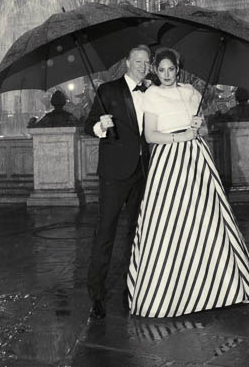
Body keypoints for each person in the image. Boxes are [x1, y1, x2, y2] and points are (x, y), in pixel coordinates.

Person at [127, 47, 249, 318]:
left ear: (178, 68)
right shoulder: (150, 95)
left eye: (171, 69)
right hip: (168, 161)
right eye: (161, 70)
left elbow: (205, 130)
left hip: (197, 159)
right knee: (169, 223)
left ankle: (215, 287)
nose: (166, 75)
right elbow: (151, 136)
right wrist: (181, 138)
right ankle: (170, 292)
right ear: (156, 70)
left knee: (205, 219)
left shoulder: (191, 92)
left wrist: (199, 127)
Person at [83, 44, 152, 320]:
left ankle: (131, 287)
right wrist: (100, 126)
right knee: (105, 234)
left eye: (147, 62)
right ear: (127, 62)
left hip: (143, 172)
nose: (143, 66)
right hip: (113, 174)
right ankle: (97, 295)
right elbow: (88, 125)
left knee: (135, 235)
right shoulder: (107, 90)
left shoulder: (152, 90)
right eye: (138, 61)